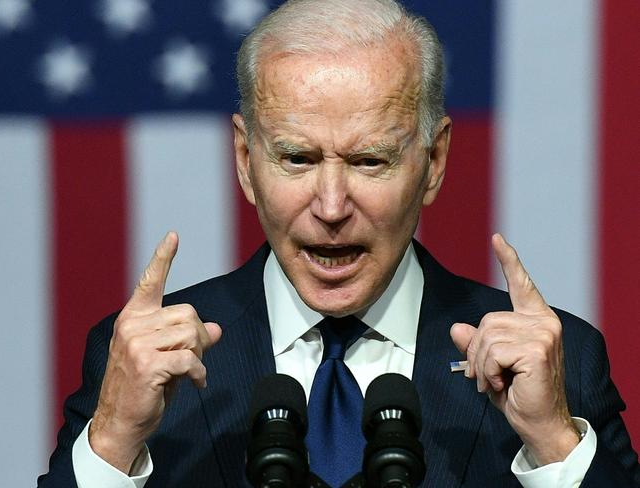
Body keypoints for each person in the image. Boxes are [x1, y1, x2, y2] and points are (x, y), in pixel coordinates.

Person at [39, 0, 639, 486]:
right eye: (296, 158)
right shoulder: (142, 366)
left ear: (433, 161)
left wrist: (557, 446)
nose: (330, 207)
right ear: (247, 162)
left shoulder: (565, 363)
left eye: (370, 160)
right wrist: (113, 441)